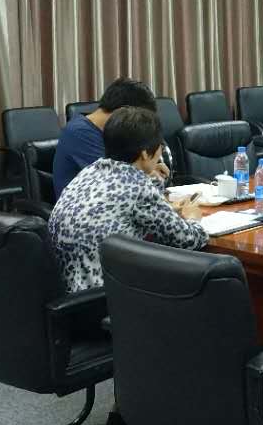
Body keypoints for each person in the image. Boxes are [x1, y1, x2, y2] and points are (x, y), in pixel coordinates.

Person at [48, 107, 206, 293]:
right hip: (107, 293)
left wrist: (154, 182)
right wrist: (193, 219)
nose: (160, 155)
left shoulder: (91, 170)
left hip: (68, 288)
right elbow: (186, 240)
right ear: (145, 153)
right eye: (159, 148)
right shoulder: (137, 186)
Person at [54, 76, 158, 195]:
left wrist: (147, 167)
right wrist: (147, 170)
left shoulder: (112, 131)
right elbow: (115, 179)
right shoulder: (79, 133)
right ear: (123, 112)